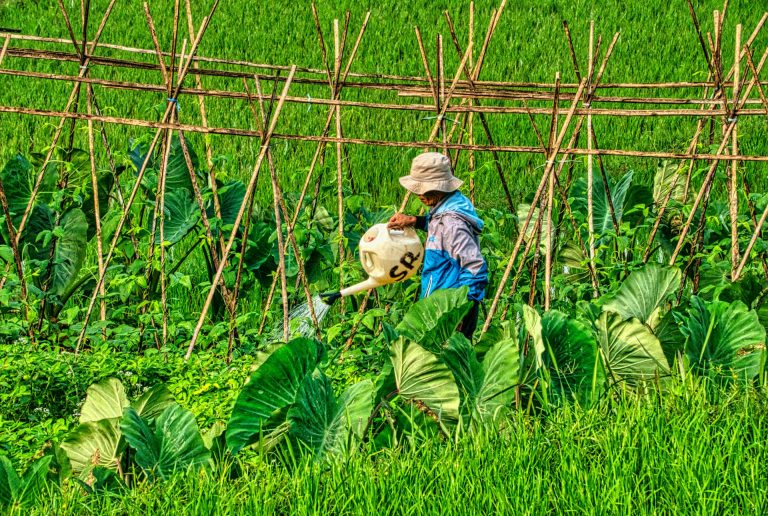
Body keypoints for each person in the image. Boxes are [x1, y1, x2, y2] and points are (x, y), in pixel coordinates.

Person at [388, 152, 488, 340]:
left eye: (424, 190)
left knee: (445, 367)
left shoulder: (452, 223)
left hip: (449, 311)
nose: (419, 195)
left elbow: (476, 268)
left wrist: (458, 312)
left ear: (440, 187)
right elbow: (440, 231)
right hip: (440, 307)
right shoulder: (448, 208)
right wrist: (415, 221)